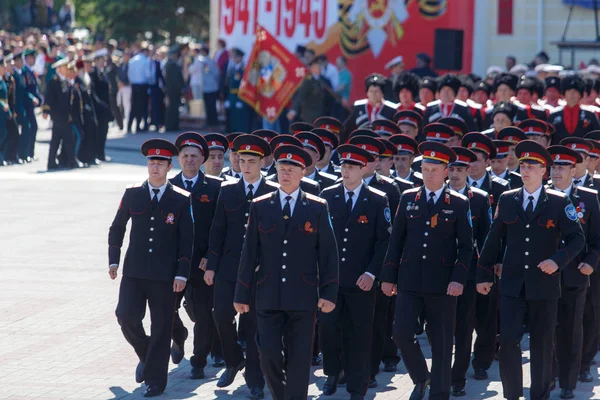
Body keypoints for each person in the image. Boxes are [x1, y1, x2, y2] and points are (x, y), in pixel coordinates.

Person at [477, 140, 585, 400]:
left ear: (543, 171)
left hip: (544, 286)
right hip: (513, 284)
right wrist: (483, 274)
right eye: (523, 165)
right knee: (509, 342)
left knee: (542, 345)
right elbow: (493, 240)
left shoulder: (559, 202)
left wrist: (557, 261)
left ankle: (539, 394)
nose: (525, 171)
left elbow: (577, 239)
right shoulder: (508, 199)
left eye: (532, 167)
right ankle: (512, 394)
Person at [234, 144, 339, 400]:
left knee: (300, 357)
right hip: (268, 294)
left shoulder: (317, 207)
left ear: (303, 172)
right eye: (282, 167)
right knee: (267, 352)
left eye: (292, 168)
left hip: (302, 296)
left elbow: (328, 255)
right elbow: (249, 253)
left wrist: (328, 293)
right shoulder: (260, 206)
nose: (286, 173)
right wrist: (241, 294)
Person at [381, 141, 473, 400]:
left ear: (446, 171)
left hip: (443, 285)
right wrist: (388, 276)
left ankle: (440, 393)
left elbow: (467, 248)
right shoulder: (409, 198)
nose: (429, 173)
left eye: (435, 169)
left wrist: (458, 279)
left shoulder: (458, 203)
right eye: (425, 168)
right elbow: (396, 240)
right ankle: (422, 377)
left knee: (443, 344)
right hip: (409, 281)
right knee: (400, 333)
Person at [108, 138, 193, 398]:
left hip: (165, 277)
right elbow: (117, 227)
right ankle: (147, 354)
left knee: (160, 327)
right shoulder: (133, 193)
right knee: (126, 316)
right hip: (134, 272)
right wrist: (113, 259)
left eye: (160, 163)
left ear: (169, 167)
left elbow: (187, 239)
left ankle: (155, 381)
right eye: (151, 162)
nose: (154, 167)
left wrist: (181, 273)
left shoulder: (180, 199)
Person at [205, 134, 278, 399]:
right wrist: (211, 266)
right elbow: (217, 231)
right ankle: (234, 358)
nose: (245, 165)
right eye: (241, 160)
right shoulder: (227, 190)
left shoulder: (273, 190)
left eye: (251, 161)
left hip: (261, 271)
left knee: (255, 326)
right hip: (229, 267)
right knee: (221, 314)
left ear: (262, 162)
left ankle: (255, 381)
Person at [319, 144, 391, 399]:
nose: (346, 171)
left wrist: (372, 274)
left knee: (360, 333)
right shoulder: (327, 195)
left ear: (363, 169)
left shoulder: (376, 199)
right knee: (328, 328)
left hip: (362, 282)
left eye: (351, 167)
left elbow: (384, 241)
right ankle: (332, 373)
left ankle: (357, 385)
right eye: (343, 166)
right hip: (331, 280)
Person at [167, 132, 223, 380]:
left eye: (195, 156)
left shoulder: (215, 187)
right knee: (166, 309)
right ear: (178, 159)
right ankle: (178, 336)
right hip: (173, 262)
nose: (190, 159)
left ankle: (199, 361)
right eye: (185, 155)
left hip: (202, 263)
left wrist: (211, 256)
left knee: (203, 314)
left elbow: (220, 227)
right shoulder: (167, 186)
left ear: (203, 159)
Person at [546, 144, 600, 399]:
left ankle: (569, 381)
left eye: (562, 167)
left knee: (571, 328)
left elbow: (597, 238)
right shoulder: (540, 195)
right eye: (553, 166)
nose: (556, 171)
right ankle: (548, 375)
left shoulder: (588, 197)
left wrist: (592, 261)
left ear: (573, 169)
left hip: (576, 274)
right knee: (545, 329)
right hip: (543, 275)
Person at [447, 146, 492, 397]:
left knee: (464, 327)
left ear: (468, 171)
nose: (455, 174)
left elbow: (487, 237)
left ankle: (457, 377)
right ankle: (443, 369)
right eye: (451, 169)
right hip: (438, 271)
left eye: (460, 169)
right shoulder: (435, 195)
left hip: (468, 272)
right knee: (436, 328)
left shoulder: (479, 198)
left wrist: (485, 272)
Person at [549, 74, 600, 145]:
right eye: (569, 91)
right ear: (564, 94)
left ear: (580, 95)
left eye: (575, 91)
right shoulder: (553, 115)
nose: (572, 94)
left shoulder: (590, 115)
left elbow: (596, 138)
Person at [43, 58, 75, 170]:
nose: (67, 69)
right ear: (60, 68)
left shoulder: (64, 81)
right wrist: (46, 111)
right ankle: (71, 161)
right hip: (57, 115)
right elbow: (49, 97)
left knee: (57, 140)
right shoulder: (54, 81)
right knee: (67, 138)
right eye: (65, 67)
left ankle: (53, 162)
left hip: (64, 115)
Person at [343, 74, 397, 141]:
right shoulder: (359, 107)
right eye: (371, 91)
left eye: (376, 91)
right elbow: (347, 128)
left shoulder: (391, 109)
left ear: (382, 93)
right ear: (367, 93)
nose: (373, 94)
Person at [288, 58, 334, 124]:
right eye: (316, 67)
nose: (318, 68)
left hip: (322, 115)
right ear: (311, 68)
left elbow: (330, 96)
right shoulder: (307, 80)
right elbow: (300, 95)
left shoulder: (325, 80)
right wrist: (293, 110)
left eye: (319, 66)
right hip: (308, 115)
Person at [90, 50, 113, 162]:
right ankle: (97, 154)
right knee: (98, 132)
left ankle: (101, 153)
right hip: (98, 108)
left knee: (104, 132)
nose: (104, 62)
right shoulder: (94, 73)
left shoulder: (102, 73)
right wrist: (102, 105)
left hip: (105, 107)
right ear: (97, 60)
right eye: (102, 60)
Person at [22, 48, 42, 162]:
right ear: (27, 58)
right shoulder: (25, 71)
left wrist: (40, 98)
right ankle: (27, 153)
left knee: (33, 127)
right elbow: (26, 89)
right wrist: (32, 97)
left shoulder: (31, 71)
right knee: (31, 127)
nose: (34, 59)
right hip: (27, 104)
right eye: (32, 57)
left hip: (31, 105)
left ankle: (30, 153)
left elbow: (35, 88)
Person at [225, 48, 251, 133]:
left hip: (240, 97)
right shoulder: (233, 69)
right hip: (232, 97)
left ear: (240, 58)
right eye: (234, 57)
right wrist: (228, 99)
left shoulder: (244, 69)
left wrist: (241, 100)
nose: (234, 59)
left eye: (236, 57)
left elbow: (244, 86)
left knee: (241, 120)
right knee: (234, 120)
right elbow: (230, 85)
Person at [127, 45, 151, 133]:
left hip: (134, 85)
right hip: (143, 85)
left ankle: (129, 125)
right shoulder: (145, 60)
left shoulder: (132, 60)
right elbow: (148, 75)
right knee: (142, 106)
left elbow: (129, 74)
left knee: (134, 106)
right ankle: (138, 126)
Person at [164, 46, 184, 132]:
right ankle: (171, 126)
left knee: (173, 108)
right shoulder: (172, 65)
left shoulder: (170, 65)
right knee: (173, 108)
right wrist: (181, 87)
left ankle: (172, 125)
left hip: (171, 90)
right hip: (173, 90)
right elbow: (176, 79)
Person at [199, 46, 220, 128]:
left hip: (210, 88)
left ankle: (212, 122)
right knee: (209, 106)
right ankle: (210, 122)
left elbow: (216, 73)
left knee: (211, 107)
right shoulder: (205, 61)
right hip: (208, 88)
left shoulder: (208, 62)